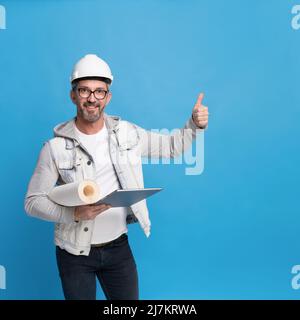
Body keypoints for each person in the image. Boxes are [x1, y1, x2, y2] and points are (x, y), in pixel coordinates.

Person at [24, 54, 209, 300]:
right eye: (84, 90)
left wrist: (193, 125)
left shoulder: (128, 134)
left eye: (100, 91)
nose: (92, 98)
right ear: (73, 95)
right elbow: (32, 202)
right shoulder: (54, 148)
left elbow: (171, 147)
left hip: (118, 249)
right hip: (74, 254)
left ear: (108, 97)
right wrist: (73, 214)